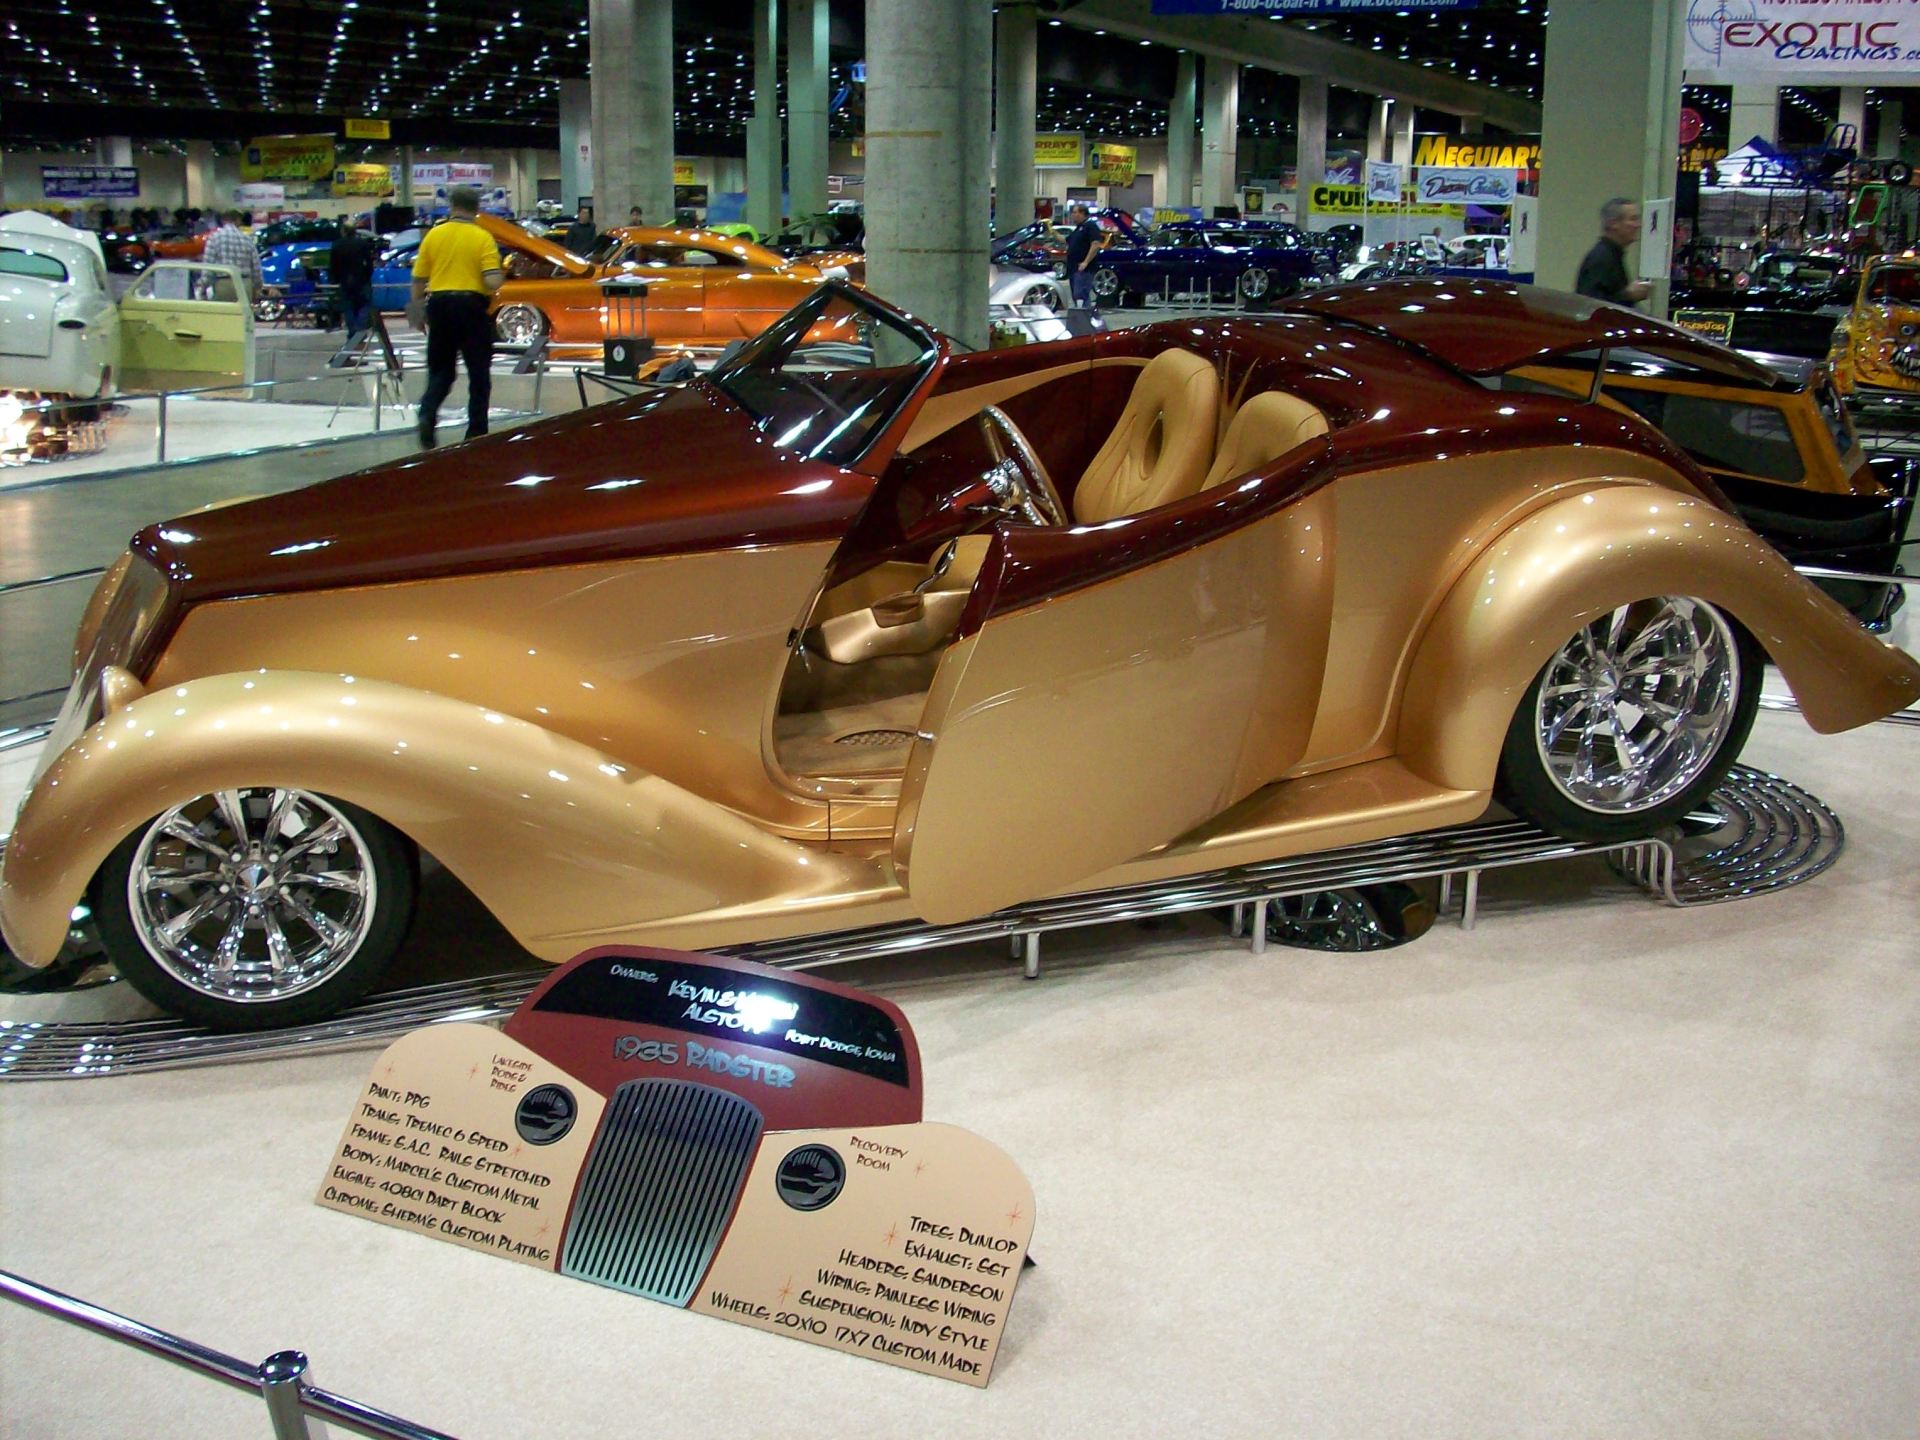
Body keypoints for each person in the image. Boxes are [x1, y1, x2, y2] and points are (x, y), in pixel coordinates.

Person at [407, 187, 505, 448]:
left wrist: (416, 315)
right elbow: (492, 280)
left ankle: (428, 411)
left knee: (441, 370)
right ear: (476, 208)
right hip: (471, 308)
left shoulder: (434, 235)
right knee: (479, 373)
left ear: (451, 205)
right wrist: (503, 273)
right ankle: (476, 432)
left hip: (439, 306)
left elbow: (418, 279)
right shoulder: (482, 237)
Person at [1575, 197, 1651, 309]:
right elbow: (1591, 307)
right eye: (1632, 219)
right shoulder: (1601, 259)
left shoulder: (1613, 255)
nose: (1638, 225)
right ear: (1613, 223)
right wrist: (1628, 295)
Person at [328, 215, 376, 340]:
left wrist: (334, 278)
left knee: (348, 307)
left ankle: (352, 331)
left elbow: (333, 264)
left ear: (343, 231)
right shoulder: (362, 243)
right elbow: (369, 262)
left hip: (345, 280)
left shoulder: (337, 245)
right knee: (364, 304)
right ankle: (361, 327)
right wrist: (367, 275)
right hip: (362, 279)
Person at [203, 209, 263, 299]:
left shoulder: (214, 238)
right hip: (244, 284)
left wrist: (203, 287)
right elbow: (256, 267)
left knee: (225, 312)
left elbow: (208, 267)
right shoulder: (247, 239)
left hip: (223, 285)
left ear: (222, 220)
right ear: (238, 220)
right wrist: (258, 287)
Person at [1063, 204, 1106, 309]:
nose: (1072, 215)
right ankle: (1080, 318)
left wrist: (1086, 261)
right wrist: (1051, 231)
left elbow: (1095, 244)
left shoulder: (1090, 226)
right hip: (1073, 268)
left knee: (1081, 294)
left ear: (1082, 213)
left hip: (1083, 268)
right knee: (1075, 294)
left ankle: (1086, 317)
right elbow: (1065, 240)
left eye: (1074, 212)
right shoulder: (1078, 229)